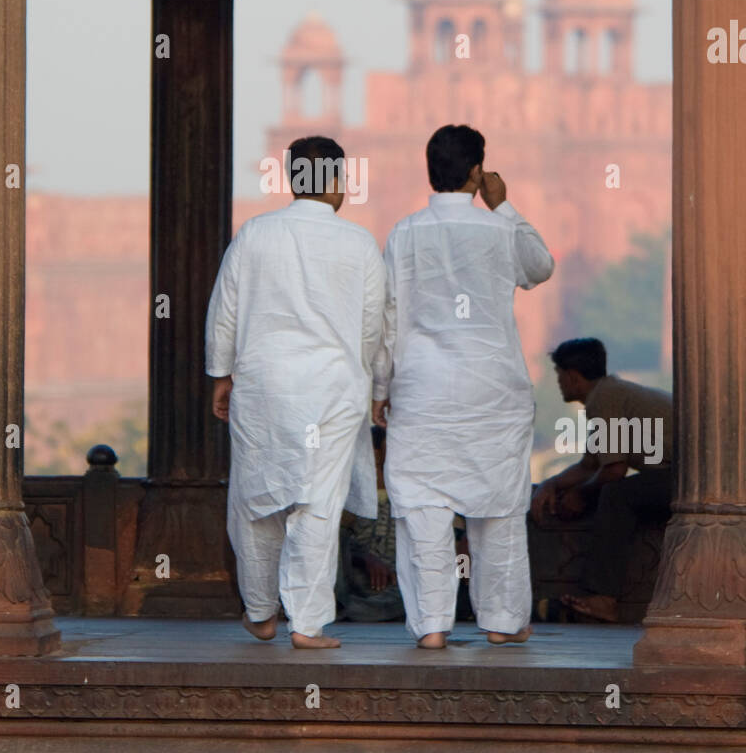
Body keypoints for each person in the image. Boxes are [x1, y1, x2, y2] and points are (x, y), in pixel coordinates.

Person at [373, 125, 554, 649]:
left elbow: (389, 320)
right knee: (498, 507)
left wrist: (381, 388)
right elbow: (540, 266)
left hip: (423, 388)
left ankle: (431, 626)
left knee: (423, 510)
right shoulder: (497, 229)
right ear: (478, 172)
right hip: (490, 388)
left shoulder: (405, 233)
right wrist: (504, 208)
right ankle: (503, 619)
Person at [206, 136, 385, 649]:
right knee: (317, 503)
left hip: (263, 387)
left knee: (257, 499)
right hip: (332, 390)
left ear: (290, 180)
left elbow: (225, 312)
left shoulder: (256, 235)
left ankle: (261, 612)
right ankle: (306, 623)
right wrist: (372, 381)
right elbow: (372, 326)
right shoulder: (358, 243)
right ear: (336, 183)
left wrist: (222, 376)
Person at [530, 337, 673, 623]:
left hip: (688, 478)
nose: (559, 384)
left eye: (559, 376)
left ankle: (603, 597)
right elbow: (590, 465)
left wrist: (580, 495)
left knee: (616, 496)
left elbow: (614, 471)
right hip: (681, 475)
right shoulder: (610, 393)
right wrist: (551, 485)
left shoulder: (605, 398)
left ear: (572, 377)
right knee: (613, 492)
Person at [335, 426, 404, 623]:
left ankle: (351, 611)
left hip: (398, 582)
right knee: (331, 532)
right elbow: (339, 543)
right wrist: (364, 558)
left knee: (414, 595)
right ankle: (343, 606)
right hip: (356, 578)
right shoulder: (350, 495)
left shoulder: (410, 493)